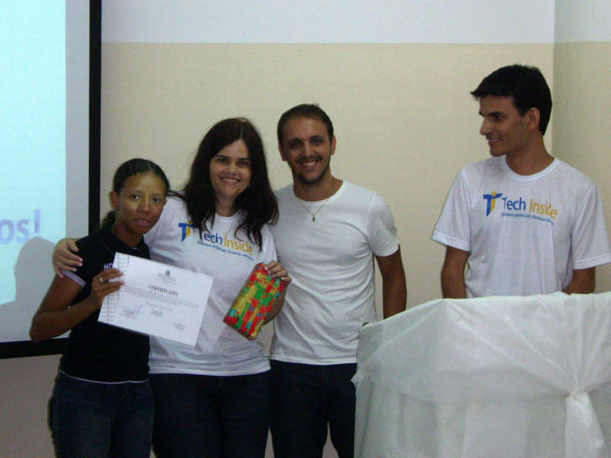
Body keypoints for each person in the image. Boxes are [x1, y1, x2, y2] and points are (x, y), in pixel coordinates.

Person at [53, 118, 290, 458]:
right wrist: (69, 245)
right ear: (206, 162)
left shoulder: (258, 230)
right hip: (177, 373)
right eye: (223, 159)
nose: (232, 170)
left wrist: (278, 290)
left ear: (254, 172)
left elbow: (263, 315)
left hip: (248, 377)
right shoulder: (172, 209)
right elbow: (115, 240)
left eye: (243, 163)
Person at [269, 104, 407, 458]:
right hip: (291, 367)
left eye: (316, 141)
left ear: (332, 143)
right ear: (282, 150)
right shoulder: (270, 209)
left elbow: (394, 277)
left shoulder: (369, 205)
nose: (307, 152)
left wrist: (387, 348)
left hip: (356, 365)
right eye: (295, 144)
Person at [30, 158, 170, 458]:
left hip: (138, 394)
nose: (146, 207)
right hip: (86, 394)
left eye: (156, 199)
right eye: (135, 197)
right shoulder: (85, 252)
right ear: (115, 199)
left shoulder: (152, 254)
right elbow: (39, 329)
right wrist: (91, 303)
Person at [432, 64, 611, 298]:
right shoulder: (470, 179)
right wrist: (466, 320)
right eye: (484, 117)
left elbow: (584, 282)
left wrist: (539, 318)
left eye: (497, 117)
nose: (485, 129)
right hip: (479, 321)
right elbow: (452, 271)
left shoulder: (580, 190)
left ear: (532, 119)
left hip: (547, 323)